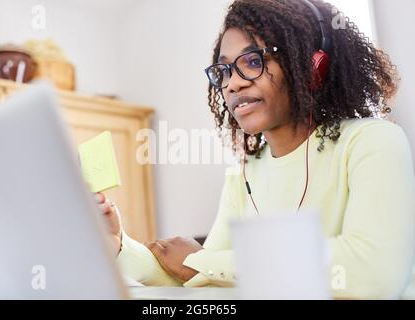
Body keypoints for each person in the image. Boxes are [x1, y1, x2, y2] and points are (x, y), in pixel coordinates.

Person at [95, 0, 415, 299]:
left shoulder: (373, 142)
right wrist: (120, 246)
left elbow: (373, 272)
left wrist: (205, 262)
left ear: (311, 66)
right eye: (224, 71)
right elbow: (195, 276)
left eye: (252, 61)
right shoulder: (243, 173)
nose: (233, 84)